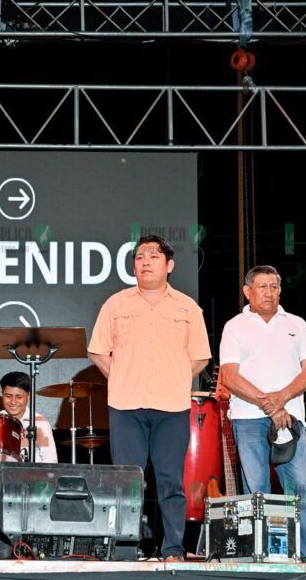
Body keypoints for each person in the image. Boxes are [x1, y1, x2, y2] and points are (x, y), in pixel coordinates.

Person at [88, 235, 211, 562]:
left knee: (171, 481)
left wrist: (177, 378)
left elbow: (200, 357)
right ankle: (125, 548)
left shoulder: (187, 307)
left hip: (171, 407)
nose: (145, 262)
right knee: (127, 481)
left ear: (169, 265)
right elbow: (98, 350)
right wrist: (120, 376)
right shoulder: (116, 304)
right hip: (126, 406)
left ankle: (172, 549)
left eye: (153, 257)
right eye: (139, 257)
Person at [219, 265, 306, 560]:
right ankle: (258, 554)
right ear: (247, 291)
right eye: (262, 287)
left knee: (298, 485)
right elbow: (230, 376)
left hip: (291, 417)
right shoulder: (234, 326)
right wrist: (268, 404)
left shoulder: (297, 324)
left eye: (274, 286)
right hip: (248, 418)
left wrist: (281, 400)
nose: (269, 292)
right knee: (256, 487)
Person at [0, 371, 58, 463]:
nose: (13, 402)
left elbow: (51, 461)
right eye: (8, 396)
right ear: (2, 395)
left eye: (19, 397)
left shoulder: (39, 422)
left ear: (28, 397)